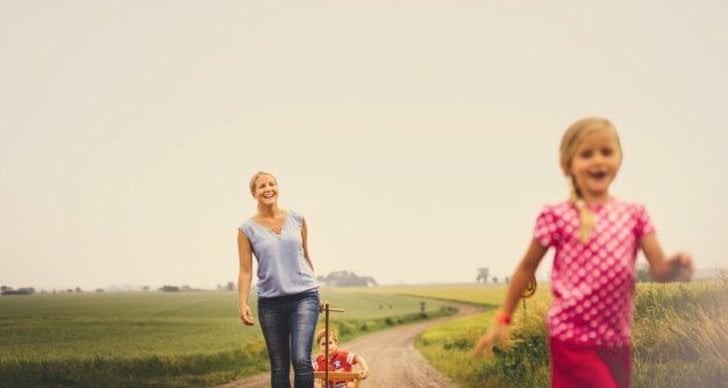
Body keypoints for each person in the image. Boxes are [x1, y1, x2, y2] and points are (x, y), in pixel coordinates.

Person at [474, 117, 694, 388]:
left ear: (619, 159)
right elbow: (526, 268)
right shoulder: (557, 216)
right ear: (569, 165)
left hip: (617, 341)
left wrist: (676, 264)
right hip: (572, 338)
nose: (598, 160)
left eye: (606, 152)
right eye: (586, 154)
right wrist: (504, 316)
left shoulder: (635, 215)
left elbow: (659, 270)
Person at [238, 171, 320, 388]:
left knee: (301, 359)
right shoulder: (246, 229)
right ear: (254, 194)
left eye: (271, 184)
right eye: (262, 186)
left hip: (304, 297)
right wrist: (243, 303)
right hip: (270, 303)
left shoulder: (297, 219)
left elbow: (305, 255)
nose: (268, 189)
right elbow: (245, 271)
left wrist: (315, 291)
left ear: (278, 187)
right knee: (279, 365)